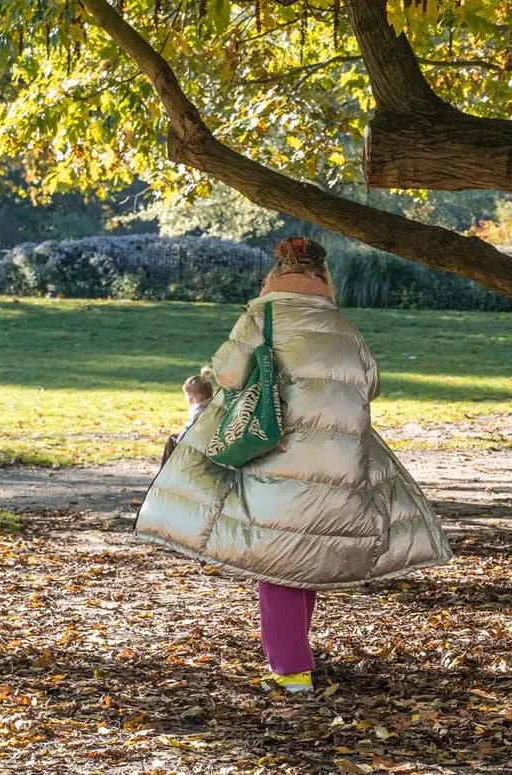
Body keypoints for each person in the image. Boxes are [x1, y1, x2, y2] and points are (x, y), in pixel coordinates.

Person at [134, 237, 453, 694]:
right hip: (341, 459)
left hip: (277, 454)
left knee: (277, 560)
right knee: (302, 556)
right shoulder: (343, 326)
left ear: (275, 274)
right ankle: (295, 660)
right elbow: (372, 383)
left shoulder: (261, 317)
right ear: (324, 278)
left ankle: (291, 672)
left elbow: (226, 373)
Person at [160, 366, 214, 467]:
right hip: (209, 444)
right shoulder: (213, 407)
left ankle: (165, 473)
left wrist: (178, 440)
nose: (186, 398)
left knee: (171, 440)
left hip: (197, 447)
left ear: (197, 396)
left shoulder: (198, 412)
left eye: (187, 395)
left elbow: (187, 431)